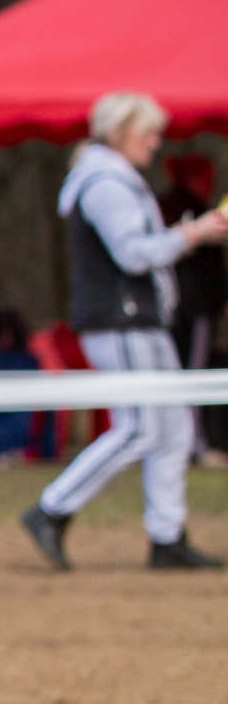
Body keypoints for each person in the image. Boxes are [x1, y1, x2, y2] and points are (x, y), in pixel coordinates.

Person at [18, 93, 228, 571]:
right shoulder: (105, 182)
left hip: (142, 319)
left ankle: (167, 536)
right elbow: (133, 253)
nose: (157, 143)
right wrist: (190, 235)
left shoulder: (116, 178)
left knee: (173, 427)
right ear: (118, 133)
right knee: (138, 426)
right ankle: (52, 509)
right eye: (148, 132)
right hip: (121, 320)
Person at [156, 154, 227, 462]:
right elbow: (209, 270)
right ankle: (193, 443)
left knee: (177, 372)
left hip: (170, 308)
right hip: (194, 308)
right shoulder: (198, 214)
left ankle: (175, 441)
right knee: (193, 375)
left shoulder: (162, 205)